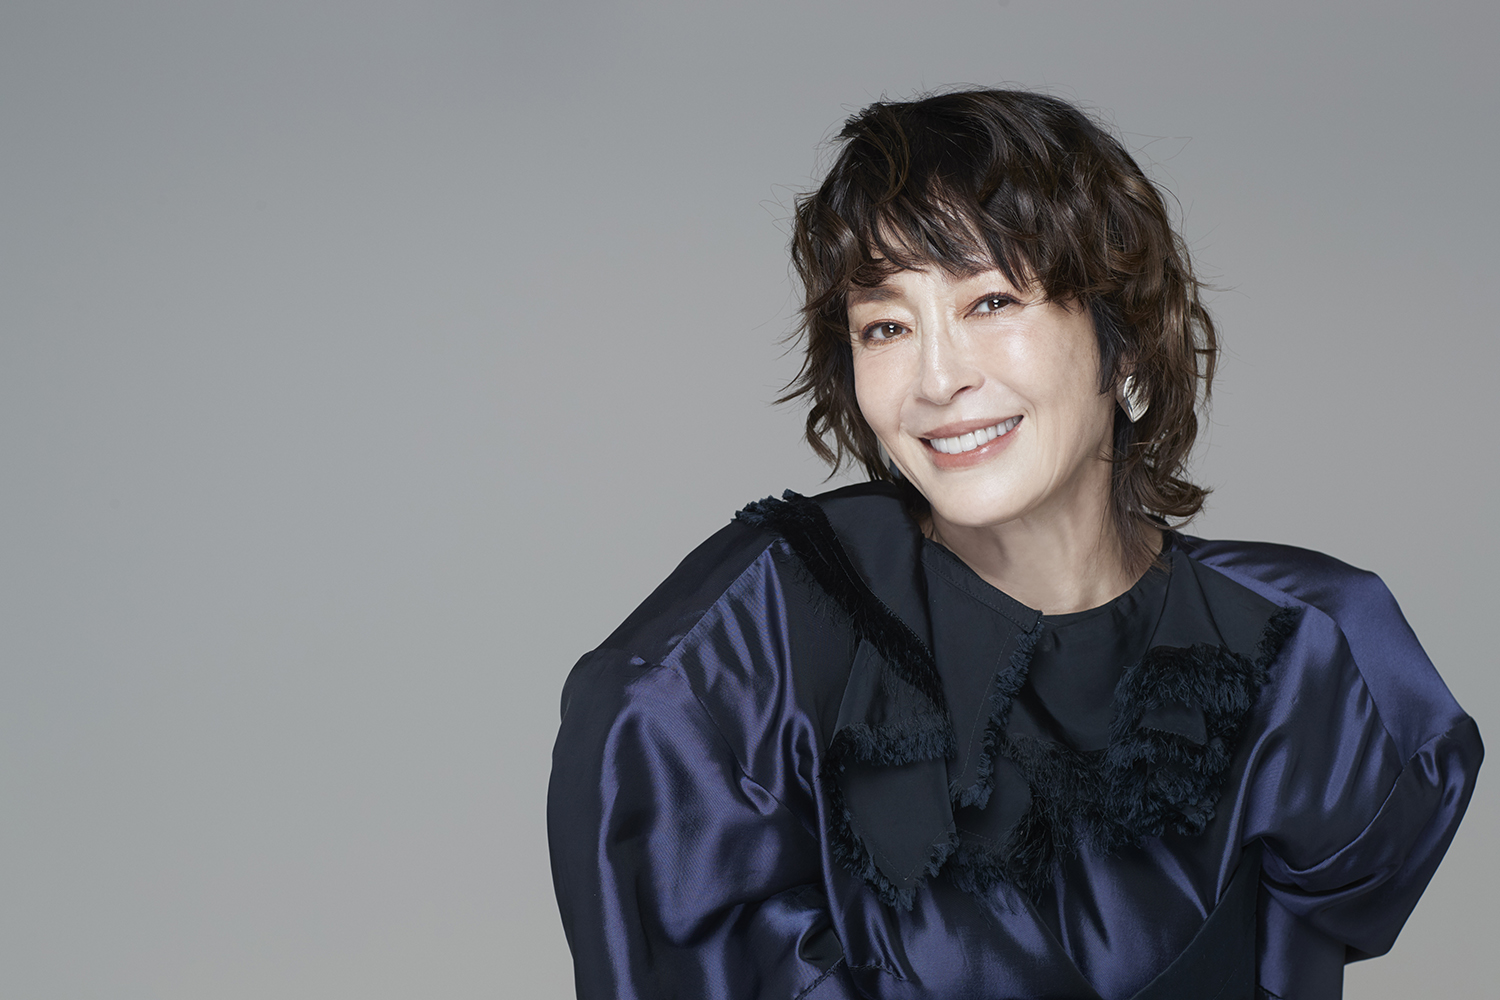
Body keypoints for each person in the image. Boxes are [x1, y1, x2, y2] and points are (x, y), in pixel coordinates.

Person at [546, 89, 1482, 1000]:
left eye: (990, 302)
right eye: (886, 326)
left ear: (1123, 342)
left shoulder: (1306, 650)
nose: (936, 379)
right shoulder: (759, 646)